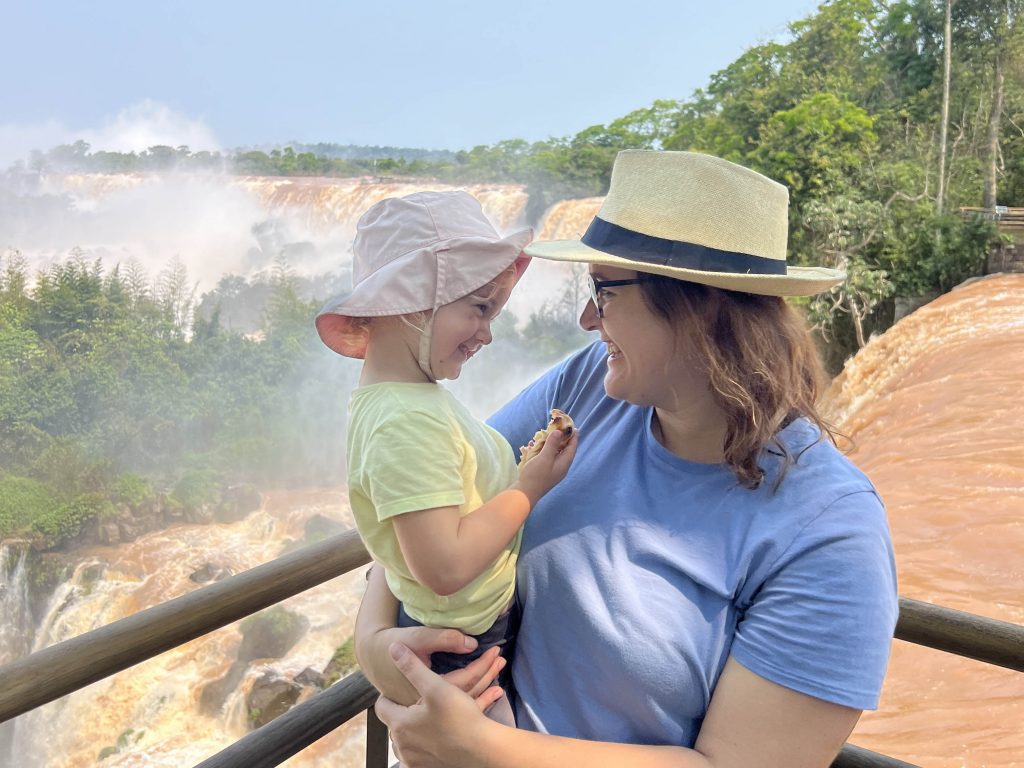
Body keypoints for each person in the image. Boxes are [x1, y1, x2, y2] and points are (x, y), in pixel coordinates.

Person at [354, 151, 899, 768]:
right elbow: (428, 500)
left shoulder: (830, 533)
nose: (587, 320)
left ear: (699, 308)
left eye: (603, 292)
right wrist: (375, 642)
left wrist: (482, 746)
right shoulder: (590, 388)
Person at [315, 191, 578, 723]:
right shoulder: (406, 420)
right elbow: (443, 565)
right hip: (462, 652)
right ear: (410, 301)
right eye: (479, 308)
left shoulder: (406, 402)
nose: (487, 333)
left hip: (466, 634)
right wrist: (528, 488)